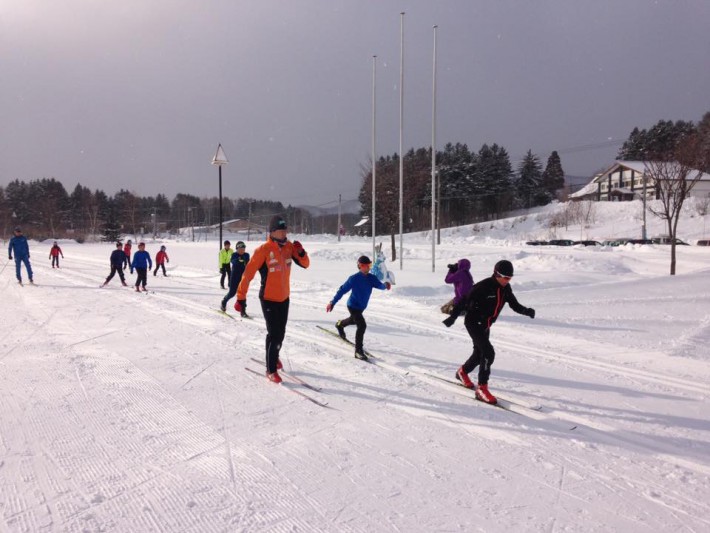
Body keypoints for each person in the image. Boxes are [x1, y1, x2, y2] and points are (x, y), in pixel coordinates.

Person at [443, 260, 535, 405]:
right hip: (473, 322)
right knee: (488, 353)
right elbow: (463, 300)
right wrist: (453, 317)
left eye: (510, 278)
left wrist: (526, 311)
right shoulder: (483, 286)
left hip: (485, 324)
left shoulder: (506, 288)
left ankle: (462, 372)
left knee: (479, 353)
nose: (507, 281)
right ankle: (481, 388)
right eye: (505, 277)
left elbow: (513, 304)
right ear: (497, 274)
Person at [236, 215, 310, 383]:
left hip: (284, 297)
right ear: (273, 231)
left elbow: (306, 264)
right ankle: (270, 369)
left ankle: (274, 356)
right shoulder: (263, 250)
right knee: (274, 334)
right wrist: (241, 297)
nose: (284, 233)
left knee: (280, 333)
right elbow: (247, 275)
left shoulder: (290, 247)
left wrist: (301, 252)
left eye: (285, 230)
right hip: (268, 298)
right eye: (281, 230)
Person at [326, 255, 391, 361]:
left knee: (353, 320)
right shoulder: (354, 278)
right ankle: (358, 351)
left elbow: (380, 285)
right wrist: (332, 302)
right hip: (352, 306)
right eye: (365, 266)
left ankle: (340, 324)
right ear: (360, 266)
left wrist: (386, 285)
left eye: (369, 265)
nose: (368, 268)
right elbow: (342, 290)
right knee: (361, 325)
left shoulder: (371, 278)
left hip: (361, 307)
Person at [221, 241, 250, 315]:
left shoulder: (246, 255)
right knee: (232, 293)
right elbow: (233, 261)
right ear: (237, 249)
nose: (242, 250)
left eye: (243, 248)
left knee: (242, 293)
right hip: (234, 278)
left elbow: (249, 263)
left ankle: (243, 311)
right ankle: (224, 302)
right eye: (240, 248)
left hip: (243, 277)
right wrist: (238, 260)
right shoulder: (234, 255)